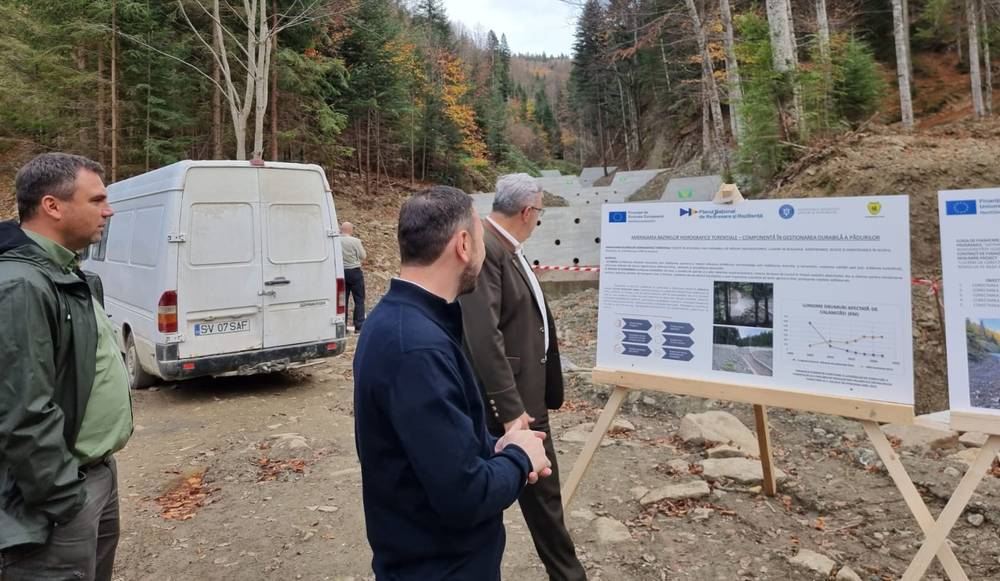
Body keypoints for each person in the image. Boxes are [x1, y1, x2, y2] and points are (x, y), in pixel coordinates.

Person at [353, 185, 552, 580]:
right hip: (442, 568)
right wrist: (520, 458)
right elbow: (465, 495)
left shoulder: (400, 322)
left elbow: (433, 448)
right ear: (463, 244)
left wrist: (497, 446)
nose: (483, 251)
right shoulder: (417, 348)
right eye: (480, 238)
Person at [0, 153, 133, 581]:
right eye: (97, 200)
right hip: (57, 499)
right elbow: (21, 411)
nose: (108, 211)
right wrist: (63, 497)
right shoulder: (21, 284)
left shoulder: (63, 270)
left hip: (94, 473)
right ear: (52, 206)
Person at [458, 173, 587, 580]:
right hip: (513, 406)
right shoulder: (487, 248)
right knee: (540, 503)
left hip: (524, 396)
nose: (538, 219)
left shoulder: (505, 246)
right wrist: (511, 410)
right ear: (528, 211)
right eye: (540, 212)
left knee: (543, 503)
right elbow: (483, 335)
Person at [340, 221, 367, 333]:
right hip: (355, 272)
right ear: (350, 230)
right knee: (359, 299)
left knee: (342, 300)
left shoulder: (336, 240)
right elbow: (363, 256)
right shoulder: (355, 241)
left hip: (341, 272)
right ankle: (359, 326)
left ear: (341, 229)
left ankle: (342, 326)